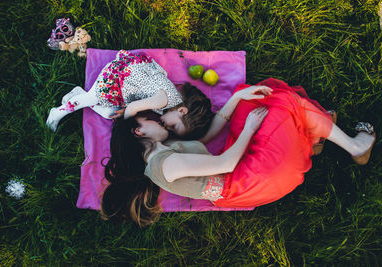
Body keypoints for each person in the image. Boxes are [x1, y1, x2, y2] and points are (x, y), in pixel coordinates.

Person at [100, 78, 376, 226]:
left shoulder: (163, 149)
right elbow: (227, 162)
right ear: (139, 131)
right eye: (153, 119)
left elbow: (210, 135)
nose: (160, 119)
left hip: (243, 170)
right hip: (251, 178)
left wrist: (235, 98)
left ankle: (313, 133)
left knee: (249, 99)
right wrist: (249, 129)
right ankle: (355, 146)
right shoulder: (164, 167)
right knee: (279, 104)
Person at [45, 50, 214, 136]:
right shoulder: (164, 100)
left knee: (109, 112)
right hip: (119, 77)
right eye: (173, 126)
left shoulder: (169, 103)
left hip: (127, 85)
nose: (167, 128)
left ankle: (77, 94)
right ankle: (57, 112)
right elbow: (134, 107)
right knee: (94, 98)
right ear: (182, 111)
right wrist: (126, 124)